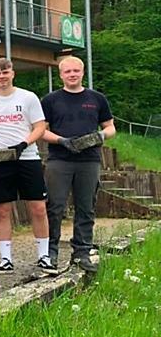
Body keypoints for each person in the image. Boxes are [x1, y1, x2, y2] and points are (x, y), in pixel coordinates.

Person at [0, 58, 57, 275]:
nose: (1, 77)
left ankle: (44, 256)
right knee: (2, 209)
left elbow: (39, 127)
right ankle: (5, 258)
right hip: (0, 160)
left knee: (38, 208)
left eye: (5, 72)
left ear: (12, 73)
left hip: (28, 157)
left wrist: (24, 144)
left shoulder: (28, 97)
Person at [41, 56, 116, 272]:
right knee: (54, 206)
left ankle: (82, 251)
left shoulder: (97, 98)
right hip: (59, 159)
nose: (72, 74)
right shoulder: (50, 100)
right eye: (68, 71)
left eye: (76, 71)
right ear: (61, 74)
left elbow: (110, 127)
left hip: (89, 160)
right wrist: (61, 141)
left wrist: (100, 136)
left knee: (86, 206)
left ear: (83, 72)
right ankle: (50, 252)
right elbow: (41, 130)